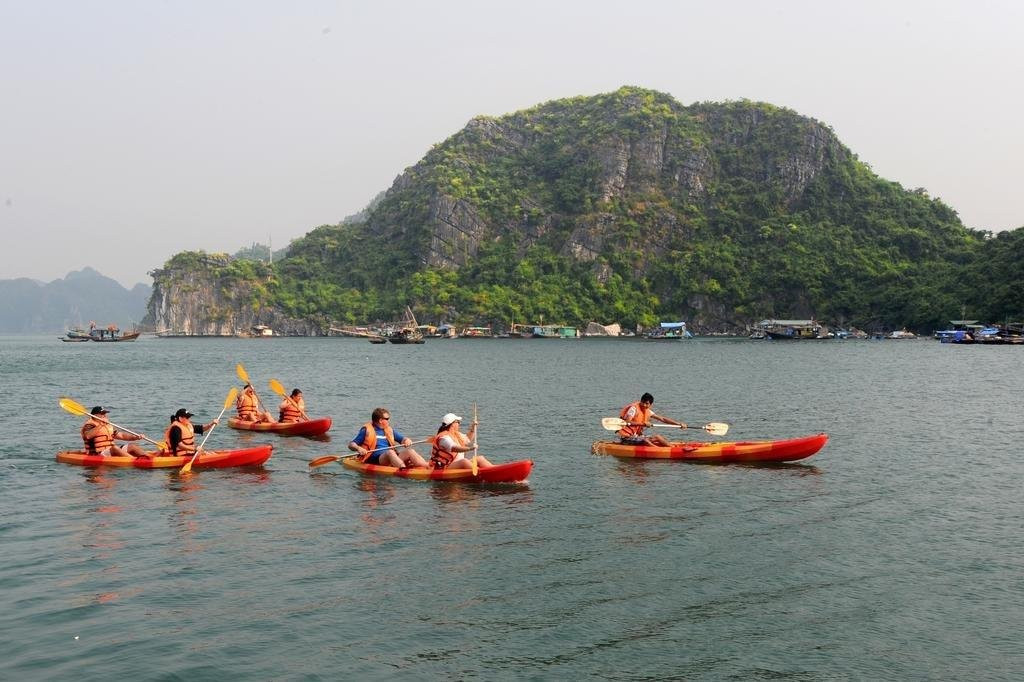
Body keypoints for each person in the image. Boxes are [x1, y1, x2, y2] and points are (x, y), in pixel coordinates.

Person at [348, 407, 427, 468]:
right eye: (387, 419)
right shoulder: (366, 430)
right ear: (380, 420)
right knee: (390, 452)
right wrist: (359, 448)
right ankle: (403, 469)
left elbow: (402, 439)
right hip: (375, 459)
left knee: (410, 451)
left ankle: (427, 466)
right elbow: (351, 444)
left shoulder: (389, 430)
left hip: (391, 457)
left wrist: (407, 440)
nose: (389, 421)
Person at [617, 392, 685, 447]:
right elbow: (627, 421)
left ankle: (672, 448)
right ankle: (660, 452)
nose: (644, 405)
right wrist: (643, 424)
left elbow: (663, 419)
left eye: (647, 403)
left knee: (658, 437)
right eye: (643, 402)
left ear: (650, 404)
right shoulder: (633, 409)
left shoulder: (648, 411)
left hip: (636, 436)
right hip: (626, 438)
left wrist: (679, 424)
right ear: (641, 401)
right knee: (645, 440)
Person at [80, 406, 149, 458]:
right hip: (97, 454)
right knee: (115, 448)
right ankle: (134, 461)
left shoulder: (106, 425)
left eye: (105, 413)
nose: (105, 415)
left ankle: (148, 458)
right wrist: (101, 424)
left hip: (109, 451)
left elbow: (121, 435)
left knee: (131, 446)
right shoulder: (89, 425)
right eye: (102, 413)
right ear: (95, 415)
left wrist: (135, 437)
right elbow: (87, 436)